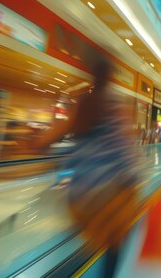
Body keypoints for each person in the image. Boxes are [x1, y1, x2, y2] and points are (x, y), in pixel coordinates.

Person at [33, 54, 139, 278]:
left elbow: (55, 133)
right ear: (110, 77)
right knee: (116, 241)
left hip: (81, 195)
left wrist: (36, 143)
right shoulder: (116, 105)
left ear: (92, 75)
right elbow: (127, 147)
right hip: (111, 194)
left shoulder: (83, 103)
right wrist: (133, 182)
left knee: (89, 236)